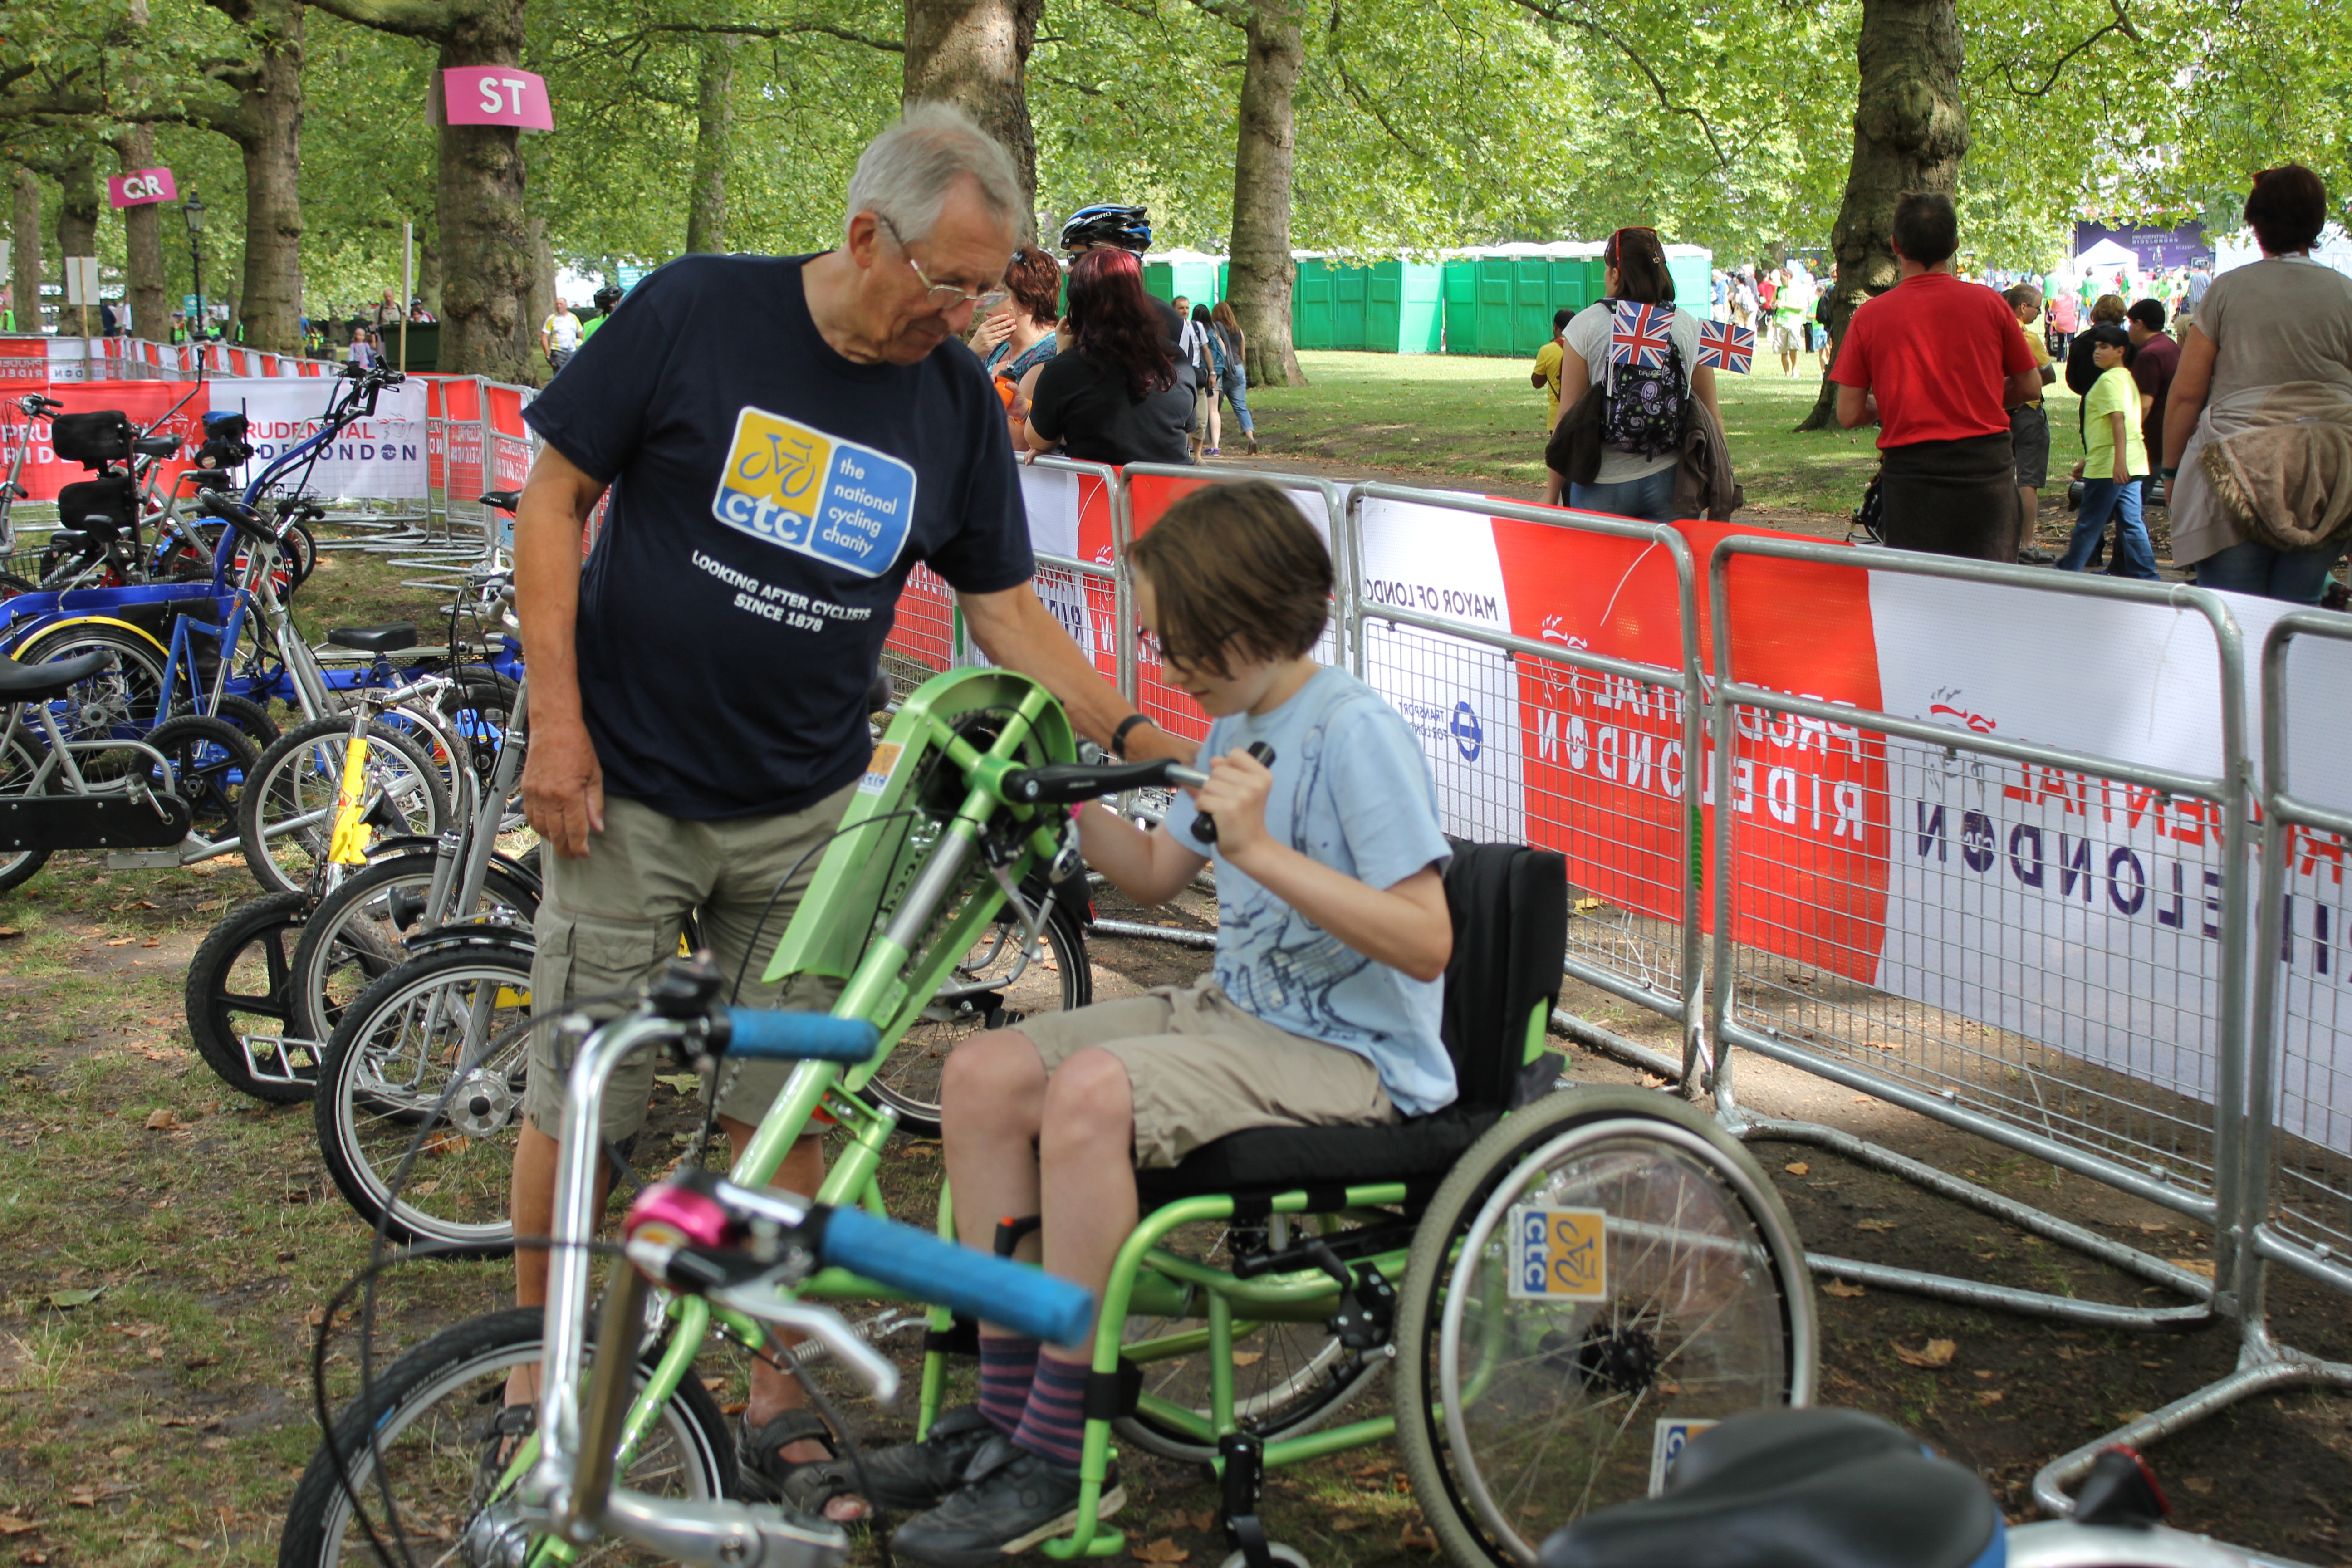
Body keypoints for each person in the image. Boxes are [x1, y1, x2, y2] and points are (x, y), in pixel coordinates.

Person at [507, 103, 1191, 1519]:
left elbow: (1002, 605)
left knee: (797, 1112)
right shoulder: (698, 311)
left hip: (810, 813)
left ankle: (773, 1393)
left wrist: (1127, 728)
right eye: (942, 283)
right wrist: (558, 725)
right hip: (621, 793)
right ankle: (529, 1375)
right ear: (865, 233)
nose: (959, 317)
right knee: (591, 1101)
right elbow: (557, 491)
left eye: (985, 291)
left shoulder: (945, 400)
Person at [858, 480, 1455, 1564]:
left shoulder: (1350, 729)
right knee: (983, 1074)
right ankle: (1001, 1417)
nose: (1157, 660)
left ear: (1239, 618)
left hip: (1350, 1056)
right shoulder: (1238, 718)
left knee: (1091, 1092)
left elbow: (1425, 937)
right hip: (1236, 1016)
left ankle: (1053, 1449)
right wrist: (1047, 797)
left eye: (1170, 638)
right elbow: (1151, 872)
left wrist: (1264, 851)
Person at [2163, 165, 2352, 602]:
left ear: (2256, 222)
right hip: (2329, 468)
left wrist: (2172, 471)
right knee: (2294, 618)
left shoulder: (2227, 290)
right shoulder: (2346, 292)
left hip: (2237, 461)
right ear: (2317, 222)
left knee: (2234, 617)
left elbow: (2186, 394)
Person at [1830, 191, 2041, 560]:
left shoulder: (1870, 317)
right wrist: (1980, 397)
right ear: (1955, 245)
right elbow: (2029, 385)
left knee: (1920, 599)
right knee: (1992, 596)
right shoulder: (1991, 304)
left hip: (1914, 479)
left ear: (1896, 245)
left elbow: (1849, 413)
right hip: (1987, 475)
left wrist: (1896, 403)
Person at [1543, 226, 1721, 518]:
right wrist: (1718, 486)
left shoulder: (1584, 325)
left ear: (1615, 273)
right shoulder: (1691, 327)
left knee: (1601, 564)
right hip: (1672, 482)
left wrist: (1550, 494)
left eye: (1606, 269)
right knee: (1666, 563)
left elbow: (1567, 418)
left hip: (1600, 482)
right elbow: (1713, 416)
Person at [1021, 247, 1195, 466]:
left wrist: (1062, 355)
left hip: (1101, 496)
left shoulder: (1065, 369)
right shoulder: (1175, 358)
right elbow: (1188, 425)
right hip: (1172, 495)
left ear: (1079, 304)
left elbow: (1038, 439)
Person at [2055, 323, 2156, 578]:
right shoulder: (2126, 377)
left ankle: (2069, 571)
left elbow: (2118, 421)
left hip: (2113, 466)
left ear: (2121, 351)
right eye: (2096, 347)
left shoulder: (2110, 381)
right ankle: (2146, 574)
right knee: (2131, 523)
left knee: (2090, 522)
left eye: (2104, 347)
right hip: (2131, 461)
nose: (2097, 352)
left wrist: (2117, 463)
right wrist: (2087, 460)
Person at [971, 245, 1063, 444]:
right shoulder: (999, 347)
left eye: (996, 292)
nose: (986, 304)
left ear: (1028, 299)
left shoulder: (1050, 352)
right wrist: (971, 355)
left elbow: (1019, 440)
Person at [2002, 284, 2058, 554]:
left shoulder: (1991, 333)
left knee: (2000, 478)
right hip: (2027, 412)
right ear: (2023, 307)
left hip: (1997, 413)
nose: (2039, 312)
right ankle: (2026, 543)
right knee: (2028, 480)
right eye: (2038, 307)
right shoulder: (2028, 338)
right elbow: (2049, 375)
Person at [2127, 298, 2180, 504]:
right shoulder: (2171, 346)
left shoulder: (2149, 355)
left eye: (2131, 324)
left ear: (2140, 324)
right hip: (2172, 435)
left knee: (2133, 504)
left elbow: (2145, 404)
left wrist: (2128, 434)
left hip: (2151, 441)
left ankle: (2130, 538)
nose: (2130, 330)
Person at [1210, 299, 1258, 456]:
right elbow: (1243, 354)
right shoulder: (1239, 330)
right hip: (1238, 369)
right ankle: (1251, 438)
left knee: (1214, 409)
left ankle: (1214, 443)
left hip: (1222, 372)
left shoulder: (1215, 329)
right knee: (1241, 407)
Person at [1180, 303, 1224, 457]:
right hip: (1180, 377)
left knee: (1202, 418)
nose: (1185, 311)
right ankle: (1184, 453)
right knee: (1182, 418)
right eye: (1181, 308)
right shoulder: (1172, 326)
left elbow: (1206, 350)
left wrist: (1212, 373)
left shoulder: (1197, 327)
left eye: (1186, 307)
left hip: (1197, 377)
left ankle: (1198, 456)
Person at [1531, 307, 1572, 427]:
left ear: (1556, 327)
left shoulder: (1547, 350)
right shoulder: (1584, 347)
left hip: (1557, 415)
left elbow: (1537, 383)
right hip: (1580, 414)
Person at [1769, 267, 1813, 376]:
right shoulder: (1778, 289)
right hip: (1780, 321)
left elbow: (1802, 307)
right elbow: (1773, 303)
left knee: (1793, 347)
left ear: (1788, 277)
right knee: (1782, 349)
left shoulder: (1799, 289)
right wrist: (1775, 305)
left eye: (1782, 277)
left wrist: (1785, 305)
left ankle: (1795, 368)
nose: (1780, 280)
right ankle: (1787, 373)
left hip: (1794, 322)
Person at [540, 296, 581, 373]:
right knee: (561, 374)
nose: (559, 306)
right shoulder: (552, 318)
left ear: (566, 306)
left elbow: (581, 334)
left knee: (574, 374)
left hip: (572, 352)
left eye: (561, 304)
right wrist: (548, 356)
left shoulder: (573, 318)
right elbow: (544, 337)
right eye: (557, 304)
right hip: (558, 352)